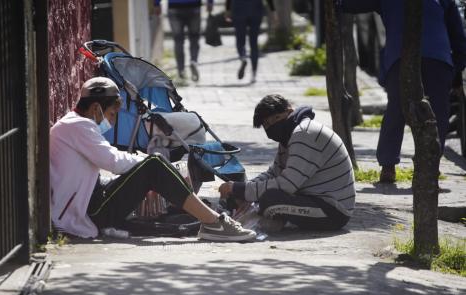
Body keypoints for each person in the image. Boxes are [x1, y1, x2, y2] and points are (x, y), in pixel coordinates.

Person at [50, 77, 256, 241]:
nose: (111, 122)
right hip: (88, 214)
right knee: (155, 165)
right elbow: (114, 163)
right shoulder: (78, 126)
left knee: (155, 165)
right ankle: (215, 223)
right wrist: (156, 166)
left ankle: (209, 217)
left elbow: (86, 175)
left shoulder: (73, 125)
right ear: (96, 108)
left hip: (91, 203)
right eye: (112, 114)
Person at [337, 0, 466, 182]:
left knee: (397, 109)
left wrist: (337, 5)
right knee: (438, 114)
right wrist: (457, 66)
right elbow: (458, 35)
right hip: (437, 59)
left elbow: (351, 5)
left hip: (402, 57)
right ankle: (431, 166)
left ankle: (388, 166)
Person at [218, 94, 355, 230]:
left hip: (333, 210)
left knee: (270, 200)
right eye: (266, 124)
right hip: (311, 199)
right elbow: (274, 173)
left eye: (274, 119)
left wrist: (242, 190)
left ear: (289, 111)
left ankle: (263, 221)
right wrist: (241, 189)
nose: (270, 127)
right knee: (253, 197)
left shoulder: (305, 134)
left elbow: (287, 185)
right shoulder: (290, 135)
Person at [154, 0, 213, 81]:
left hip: (174, 6)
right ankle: (194, 61)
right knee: (194, 38)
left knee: (178, 40)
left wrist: (157, 4)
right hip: (194, 6)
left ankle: (181, 70)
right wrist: (210, 2)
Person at [225, 0, 275, 83]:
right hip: (256, 8)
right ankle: (254, 73)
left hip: (239, 7)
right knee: (254, 42)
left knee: (240, 38)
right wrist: (273, 10)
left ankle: (243, 56)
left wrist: (227, 9)